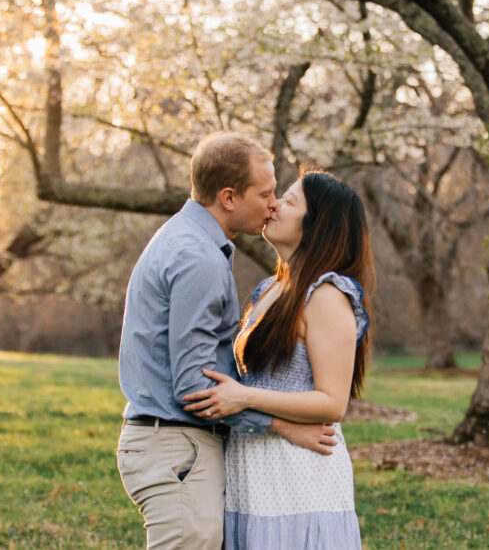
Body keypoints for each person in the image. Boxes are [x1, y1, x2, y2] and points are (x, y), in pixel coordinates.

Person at [115, 133, 339, 550]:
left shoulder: (194, 242)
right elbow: (195, 389)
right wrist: (282, 426)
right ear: (230, 197)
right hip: (176, 445)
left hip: (173, 444)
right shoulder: (198, 257)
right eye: (267, 192)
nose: (273, 203)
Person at [181, 168, 374, 549]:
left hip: (299, 473)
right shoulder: (270, 288)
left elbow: (332, 402)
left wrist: (247, 397)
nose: (274, 205)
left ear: (317, 225)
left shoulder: (326, 296)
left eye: (290, 200)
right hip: (252, 467)